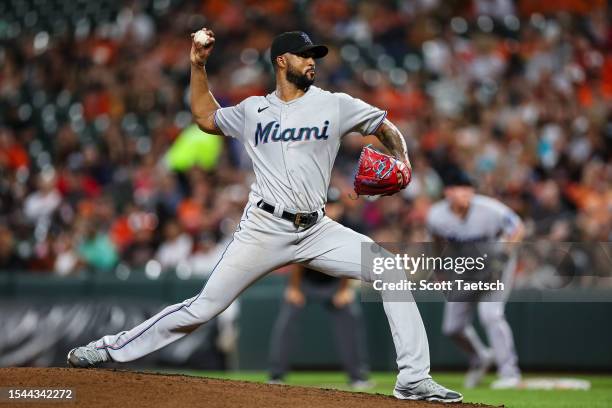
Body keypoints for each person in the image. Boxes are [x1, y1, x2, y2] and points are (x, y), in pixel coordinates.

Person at [67, 29, 461, 402]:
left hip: (316, 228)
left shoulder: (335, 104)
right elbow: (206, 117)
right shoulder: (253, 110)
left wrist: (402, 158)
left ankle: (412, 378)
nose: (311, 61)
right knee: (203, 307)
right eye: (304, 55)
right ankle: (108, 349)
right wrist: (198, 65)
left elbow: (384, 125)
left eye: (314, 56)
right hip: (264, 227)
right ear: (281, 60)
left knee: (388, 268)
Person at [426, 167, 524, 389]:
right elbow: (437, 242)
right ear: (447, 192)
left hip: (495, 265)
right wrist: (439, 269)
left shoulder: (490, 209)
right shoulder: (436, 215)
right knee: (452, 327)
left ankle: (510, 373)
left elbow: (518, 228)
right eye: (460, 189)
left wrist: (506, 253)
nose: (465, 193)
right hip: (465, 269)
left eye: (468, 189)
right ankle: (480, 357)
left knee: (491, 315)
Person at [268, 189, 372, 390]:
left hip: (335, 283)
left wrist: (345, 289)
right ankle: (276, 375)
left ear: (341, 207)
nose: (332, 209)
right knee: (287, 318)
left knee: (350, 316)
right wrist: (294, 288)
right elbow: (298, 258)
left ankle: (358, 377)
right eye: (328, 205)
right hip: (305, 282)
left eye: (335, 205)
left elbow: (352, 261)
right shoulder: (310, 222)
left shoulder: (349, 226)